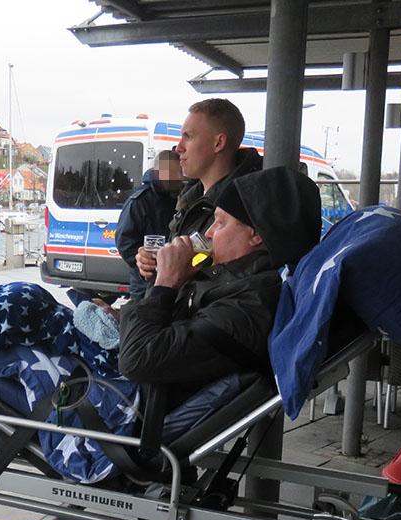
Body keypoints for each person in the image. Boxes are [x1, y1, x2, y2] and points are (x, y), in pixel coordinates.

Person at [118, 167, 321, 404]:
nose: (209, 233)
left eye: (220, 223)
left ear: (255, 235)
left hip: (138, 408)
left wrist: (166, 283)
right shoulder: (230, 282)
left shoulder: (247, 308)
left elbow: (137, 359)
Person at [136, 98, 263, 286]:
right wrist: (154, 262)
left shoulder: (242, 207)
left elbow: (215, 283)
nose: (178, 148)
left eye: (188, 136)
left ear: (218, 143)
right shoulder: (190, 198)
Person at [116, 149, 183, 300]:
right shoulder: (140, 201)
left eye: (181, 171)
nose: (180, 177)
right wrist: (145, 261)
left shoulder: (177, 197)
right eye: (175, 172)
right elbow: (124, 241)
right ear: (160, 172)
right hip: (145, 285)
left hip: (171, 282)